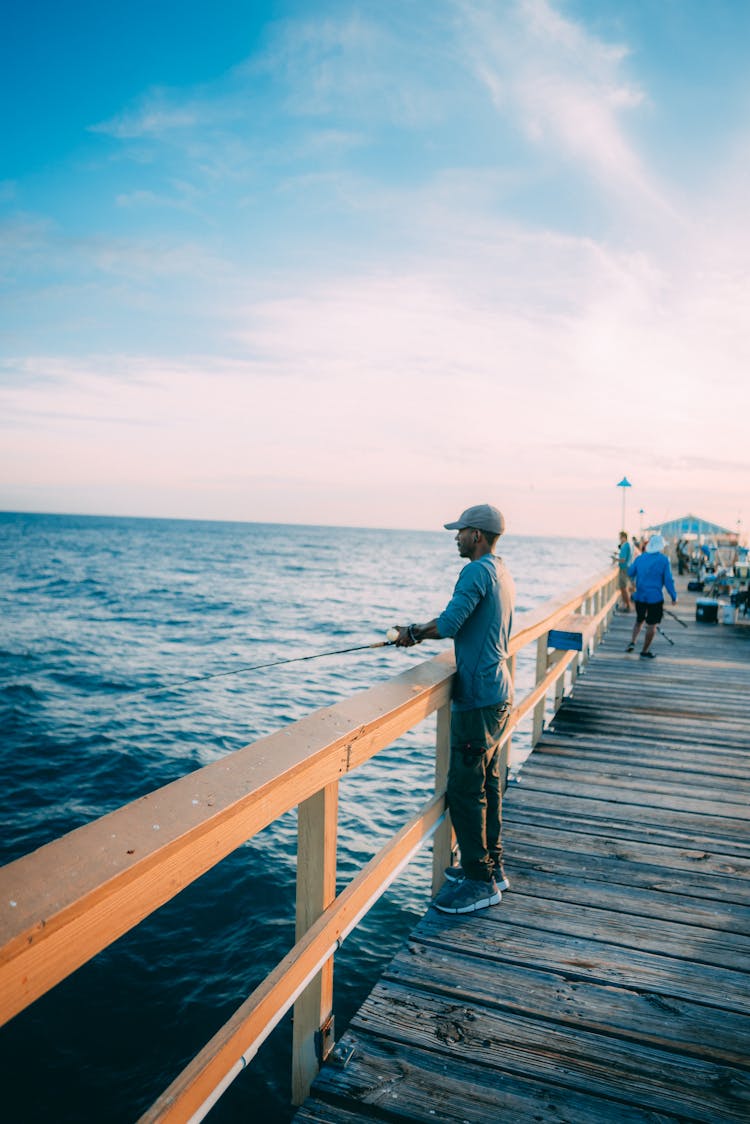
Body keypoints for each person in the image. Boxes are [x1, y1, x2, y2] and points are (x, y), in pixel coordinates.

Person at [393, 503, 515, 915]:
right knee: (488, 784)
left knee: (465, 789)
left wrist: (413, 632)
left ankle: (480, 882)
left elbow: (449, 623)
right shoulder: (501, 570)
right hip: (498, 693)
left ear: (476, 535)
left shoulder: (476, 571)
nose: (456, 537)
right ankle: (491, 867)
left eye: (460, 531)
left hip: (478, 698)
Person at [626, 533, 677, 659]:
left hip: (640, 596)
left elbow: (630, 572)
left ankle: (633, 642)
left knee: (639, 620)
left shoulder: (640, 558)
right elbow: (668, 580)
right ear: (660, 546)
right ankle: (644, 651)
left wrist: (634, 580)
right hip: (655, 598)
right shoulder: (664, 560)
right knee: (652, 625)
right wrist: (673, 596)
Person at [616, 531, 634, 611]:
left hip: (624, 569)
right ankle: (627, 606)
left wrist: (615, 559)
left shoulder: (624, 546)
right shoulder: (627, 545)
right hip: (627, 568)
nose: (619, 539)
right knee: (624, 588)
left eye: (620, 537)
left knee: (624, 588)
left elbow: (623, 560)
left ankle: (628, 606)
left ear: (623, 537)